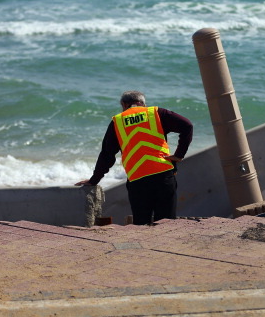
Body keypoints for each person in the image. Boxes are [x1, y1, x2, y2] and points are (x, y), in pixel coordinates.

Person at [76, 91, 193, 225]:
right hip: (163, 175)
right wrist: (179, 155)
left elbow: (107, 154)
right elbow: (187, 126)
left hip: (137, 179)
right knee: (166, 223)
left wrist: (94, 180)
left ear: (124, 104)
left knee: (141, 224)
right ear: (143, 103)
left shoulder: (118, 121)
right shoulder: (156, 113)